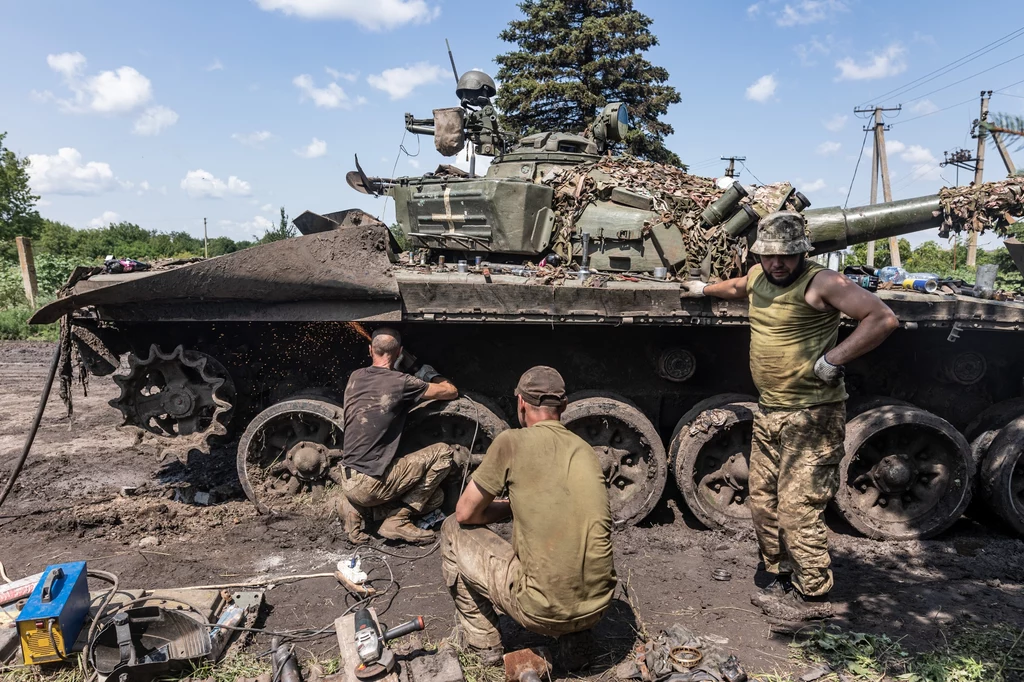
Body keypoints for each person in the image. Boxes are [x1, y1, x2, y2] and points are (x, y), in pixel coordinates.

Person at [688, 211, 899, 624]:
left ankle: (814, 597)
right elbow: (736, 286)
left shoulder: (821, 283)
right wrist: (702, 288)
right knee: (763, 501)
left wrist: (833, 358)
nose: (777, 263)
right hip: (769, 412)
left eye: (787, 255)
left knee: (798, 507)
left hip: (812, 416)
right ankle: (782, 574)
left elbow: (882, 318)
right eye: (770, 256)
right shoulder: (758, 276)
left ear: (803, 252)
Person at [440, 366, 616, 666]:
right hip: (598, 607)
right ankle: (577, 641)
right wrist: (519, 505)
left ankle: (484, 646)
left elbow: (466, 512)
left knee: (451, 528)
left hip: (540, 612)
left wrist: (508, 506)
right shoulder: (586, 451)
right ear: (563, 406)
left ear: (521, 403)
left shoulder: (511, 442)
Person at [337, 327, 460, 544]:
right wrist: (422, 369)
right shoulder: (402, 382)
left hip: (347, 478)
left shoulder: (355, 377)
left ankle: (358, 509)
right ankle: (398, 521)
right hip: (369, 484)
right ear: (400, 351)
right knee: (443, 453)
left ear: (370, 350)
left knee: (435, 498)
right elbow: (450, 390)